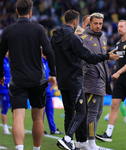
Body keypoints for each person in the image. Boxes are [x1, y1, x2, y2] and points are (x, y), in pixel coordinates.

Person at [50, 9, 119, 150]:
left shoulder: (54, 36)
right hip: (74, 81)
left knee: (69, 112)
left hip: (62, 81)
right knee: (82, 111)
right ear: (75, 22)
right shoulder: (73, 38)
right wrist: (107, 56)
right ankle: (68, 138)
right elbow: (89, 57)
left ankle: (75, 142)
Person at [0, 0, 56, 150]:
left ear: (16, 11)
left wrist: (1, 75)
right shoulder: (39, 28)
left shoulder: (8, 30)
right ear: (30, 12)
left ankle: (19, 149)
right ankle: (36, 149)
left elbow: (0, 55)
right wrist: (53, 74)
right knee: (37, 118)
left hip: (17, 81)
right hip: (38, 80)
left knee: (18, 117)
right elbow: (49, 52)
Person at [81, 12, 114, 150]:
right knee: (92, 112)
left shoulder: (103, 37)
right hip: (91, 78)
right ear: (90, 23)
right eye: (95, 23)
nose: (98, 26)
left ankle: (87, 141)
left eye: (100, 23)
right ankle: (90, 143)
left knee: (99, 111)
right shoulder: (83, 38)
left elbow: (103, 58)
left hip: (102, 78)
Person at [42, 54, 63, 135]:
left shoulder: (49, 62)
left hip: (49, 92)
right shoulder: (39, 61)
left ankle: (53, 129)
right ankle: (41, 129)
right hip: (42, 92)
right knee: (41, 113)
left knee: (50, 111)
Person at [0, 52, 11, 135]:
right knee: (5, 108)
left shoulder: (12, 61)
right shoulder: (1, 62)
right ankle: (5, 128)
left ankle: (19, 127)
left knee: (16, 109)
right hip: (4, 88)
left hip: (13, 88)